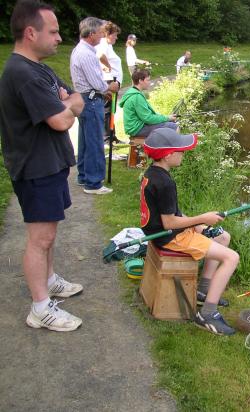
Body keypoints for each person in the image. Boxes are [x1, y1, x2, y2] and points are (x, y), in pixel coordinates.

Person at [0, 0, 85, 332]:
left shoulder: (40, 68)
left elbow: (74, 98)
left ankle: (48, 281)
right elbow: (61, 120)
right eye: (53, 31)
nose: (59, 38)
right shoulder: (22, 73)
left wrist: (69, 103)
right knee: (40, 237)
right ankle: (40, 309)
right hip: (35, 167)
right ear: (30, 32)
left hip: (49, 163)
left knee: (49, 235)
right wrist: (68, 105)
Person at [140, 128, 240, 336]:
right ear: (169, 155)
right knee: (232, 258)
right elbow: (169, 223)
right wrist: (203, 218)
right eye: (181, 151)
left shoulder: (153, 173)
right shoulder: (165, 182)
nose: (183, 154)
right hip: (169, 238)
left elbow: (172, 212)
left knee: (223, 237)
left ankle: (203, 289)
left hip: (166, 231)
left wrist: (199, 227)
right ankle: (207, 315)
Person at [70, 17, 120, 195]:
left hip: (85, 99)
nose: (101, 35)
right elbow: (98, 83)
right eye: (100, 32)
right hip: (91, 101)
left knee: (85, 141)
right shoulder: (86, 54)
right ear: (91, 34)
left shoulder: (81, 50)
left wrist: (102, 89)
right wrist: (110, 87)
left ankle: (83, 175)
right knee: (94, 142)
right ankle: (93, 183)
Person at [119, 68, 178, 137]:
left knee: (169, 122)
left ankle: (166, 146)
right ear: (140, 81)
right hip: (137, 129)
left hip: (138, 126)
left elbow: (146, 117)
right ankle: (175, 147)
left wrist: (166, 118)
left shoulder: (134, 92)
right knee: (174, 127)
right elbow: (148, 118)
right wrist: (167, 118)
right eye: (148, 80)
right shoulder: (136, 96)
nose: (149, 82)